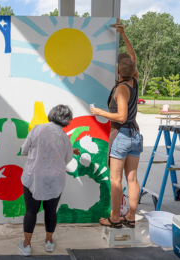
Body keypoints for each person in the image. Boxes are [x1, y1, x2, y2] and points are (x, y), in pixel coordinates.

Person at [90, 24, 141, 229]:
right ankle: (131, 217)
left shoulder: (121, 89)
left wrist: (101, 113)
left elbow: (120, 116)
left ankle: (114, 219)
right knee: (132, 178)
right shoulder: (135, 80)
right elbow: (132, 56)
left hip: (121, 134)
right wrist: (123, 34)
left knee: (116, 179)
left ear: (118, 70)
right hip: (136, 135)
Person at [18, 105, 80, 256]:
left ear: (51, 115)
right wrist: (71, 150)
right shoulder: (65, 137)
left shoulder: (37, 129)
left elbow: (24, 150)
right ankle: (49, 243)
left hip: (34, 177)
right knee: (51, 211)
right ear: (67, 120)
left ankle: (26, 246)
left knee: (31, 211)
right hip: (55, 180)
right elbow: (66, 157)